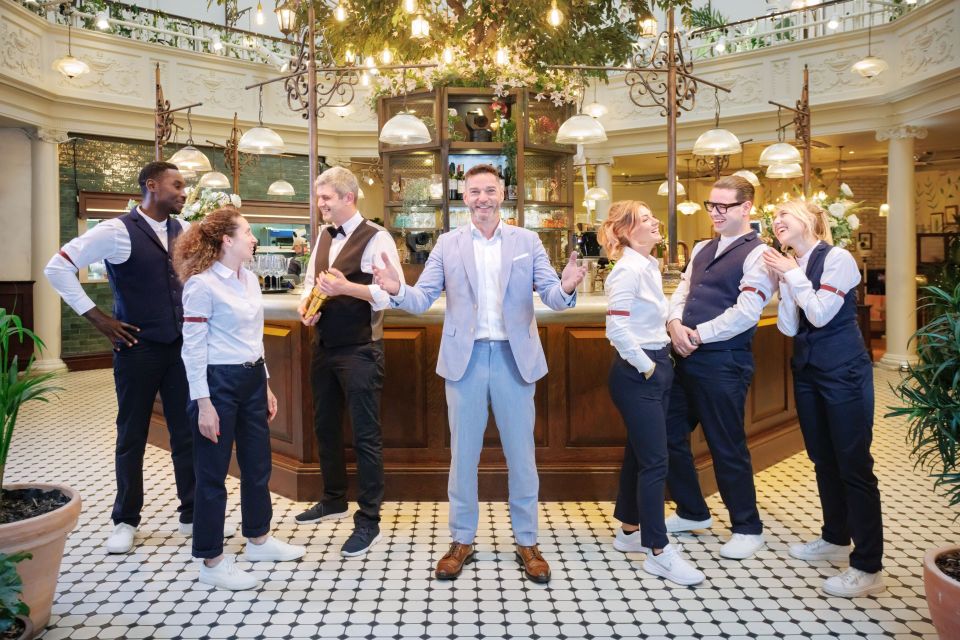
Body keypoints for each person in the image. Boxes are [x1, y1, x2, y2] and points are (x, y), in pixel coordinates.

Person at [372, 164, 588, 583]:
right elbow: (421, 300)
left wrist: (565, 285)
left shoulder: (528, 241)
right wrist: (395, 287)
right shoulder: (448, 244)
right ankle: (461, 540)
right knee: (462, 457)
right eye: (475, 191)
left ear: (502, 194)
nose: (483, 198)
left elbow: (554, 298)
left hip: (514, 358)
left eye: (490, 190)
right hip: (464, 361)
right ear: (464, 196)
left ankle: (527, 541)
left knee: (522, 457)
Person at [44, 161, 223, 553]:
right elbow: (57, 267)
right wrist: (99, 319)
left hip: (180, 350)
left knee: (186, 432)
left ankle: (191, 514)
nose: (183, 192)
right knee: (132, 435)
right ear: (152, 186)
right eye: (177, 185)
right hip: (136, 350)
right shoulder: (114, 230)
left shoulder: (183, 232)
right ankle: (125, 519)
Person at [175, 207, 305, 590]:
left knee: (257, 464)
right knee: (212, 474)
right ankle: (211, 560)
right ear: (226, 241)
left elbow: (252, 338)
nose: (253, 238)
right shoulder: (201, 285)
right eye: (247, 232)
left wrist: (263, 383)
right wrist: (203, 403)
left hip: (250, 378)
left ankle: (259, 539)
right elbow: (193, 348)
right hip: (217, 382)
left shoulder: (248, 279)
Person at [762, 199, 884, 597]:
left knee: (853, 463)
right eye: (774, 216)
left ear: (812, 221)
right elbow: (790, 326)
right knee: (822, 458)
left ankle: (868, 567)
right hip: (809, 371)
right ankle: (835, 535)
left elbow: (820, 315)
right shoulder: (791, 265)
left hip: (844, 371)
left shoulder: (839, 259)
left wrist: (792, 276)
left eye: (785, 214)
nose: (777, 220)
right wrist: (784, 284)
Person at [294, 166, 404, 558]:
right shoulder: (323, 236)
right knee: (325, 426)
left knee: (365, 434)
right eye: (319, 197)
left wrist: (346, 288)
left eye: (326, 198)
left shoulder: (378, 238)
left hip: (360, 349)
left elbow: (391, 293)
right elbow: (310, 283)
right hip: (323, 345)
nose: (320, 205)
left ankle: (369, 518)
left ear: (347, 198)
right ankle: (333, 498)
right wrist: (304, 307)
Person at [664, 175, 775, 560]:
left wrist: (696, 335)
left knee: (725, 444)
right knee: (667, 434)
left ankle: (747, 526)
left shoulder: (759, 254)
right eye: (712, 205)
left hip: (724, 362)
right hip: (684, 359)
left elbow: (746, 313)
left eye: (723, 206)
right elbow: (683, 289)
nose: (715, 212)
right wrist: (674, 323)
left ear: (746, 208)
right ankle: (693, 511)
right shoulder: (702, 248)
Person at [601, 201, 705, 587]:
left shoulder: (647, 266)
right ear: (627, 232)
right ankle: (657, 551)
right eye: (645, 219)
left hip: (656, 366)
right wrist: (647, 366)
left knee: (639, 454)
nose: (655, 221)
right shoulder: (626, 271)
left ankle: (629, 530)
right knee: (656, 462)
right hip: (638, 371)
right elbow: (616, 330)